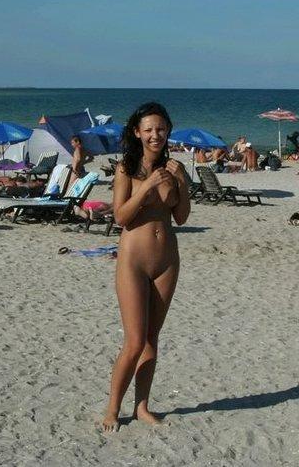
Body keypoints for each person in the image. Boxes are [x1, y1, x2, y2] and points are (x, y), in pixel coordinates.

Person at [102, 102, 190, 433]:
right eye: (149, 129)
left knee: (152, 339)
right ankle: (112, 409)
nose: (156, 135)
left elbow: (181, 217)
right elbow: (121, 217)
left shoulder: (174, 167)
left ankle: (141, 406)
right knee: (135, 341)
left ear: (168, 131)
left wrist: (182, 183)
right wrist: (149, 186)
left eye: (161, 128)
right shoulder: (126, 168)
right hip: (133, 261)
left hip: (166, 260)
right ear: (137, 133)